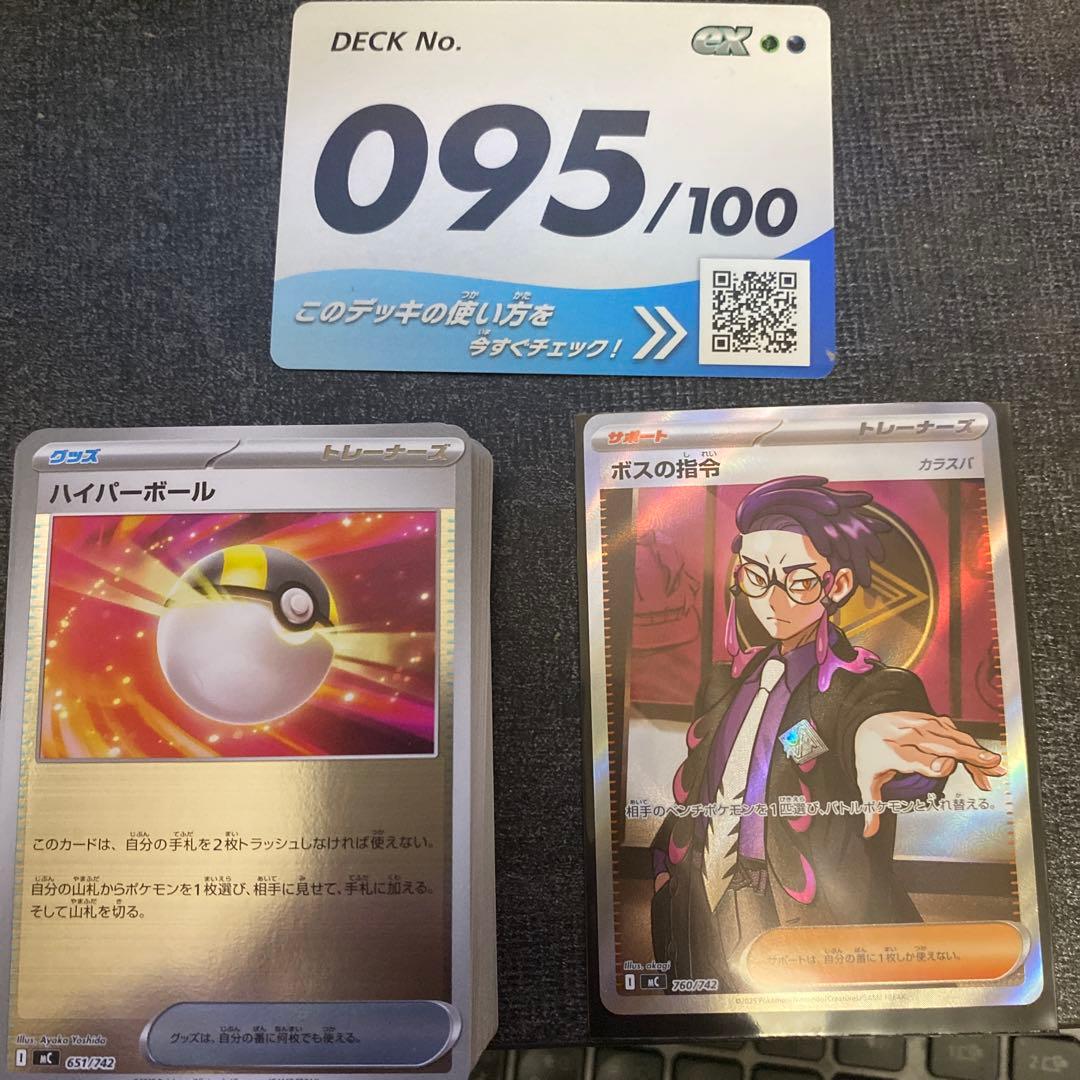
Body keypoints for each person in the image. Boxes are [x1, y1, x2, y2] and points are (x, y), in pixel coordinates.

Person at [649, 476, 1005, 987]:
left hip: (802, 912)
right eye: (755, 577)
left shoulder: (860, 685)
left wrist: (874, 742)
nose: (772, 600)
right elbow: (707, 783)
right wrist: (666, 863)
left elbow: (862, 721)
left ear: (835, 586)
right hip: (698, 900)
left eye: (798, 582)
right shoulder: (724, 684)